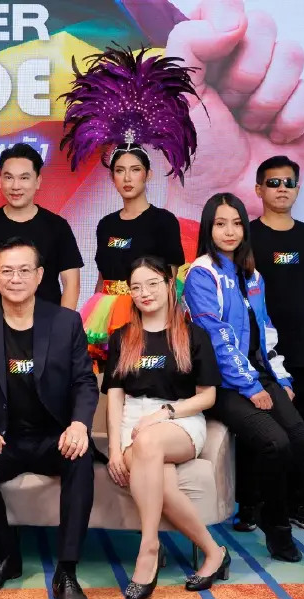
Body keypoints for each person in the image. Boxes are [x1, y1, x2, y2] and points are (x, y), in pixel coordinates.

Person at [181, 193, 304, 581]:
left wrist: (281, 378)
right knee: (275, 443)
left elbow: (265, 331)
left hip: (259, 376)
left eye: (236, 223)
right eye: (220, 223)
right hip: (220, 385)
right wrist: (250, 386)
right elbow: (218, 338)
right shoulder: (201, 274)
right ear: (208, 229)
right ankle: (275, 523)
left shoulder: (253, 276)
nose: (229, 231)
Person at [0, 237, 98, 599]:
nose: (15, 279)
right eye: (6, 271)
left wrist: (79, 424)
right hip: (2, 437)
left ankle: (67, 570)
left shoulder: (65, 322)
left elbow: (84, 381)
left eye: (24, 270)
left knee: (81, 459)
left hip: (54, 435)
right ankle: (6, 555)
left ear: (40, 275)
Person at [102, 256, 230, 599]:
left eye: (153, 284)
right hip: (133, 420)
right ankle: (214, 552)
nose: (145, 293)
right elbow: (115, 398)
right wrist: (114, 451)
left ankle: (148, 548)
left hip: (181, 418)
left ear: (170, 284)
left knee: (149, 442)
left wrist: (164, 413)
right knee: (161, 477)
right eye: (136, 287)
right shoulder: (122, 338)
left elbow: (207, 397)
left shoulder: (193, 335)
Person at [58, 46, 190, 364]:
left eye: (135, 170)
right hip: (106, 312)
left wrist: (167, 318)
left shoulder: (163, 221)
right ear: (112, 177)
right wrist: (94, 314)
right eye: (120, 170)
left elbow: (173, 276)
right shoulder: (106, 224)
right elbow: (102, 277)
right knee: (110, 378)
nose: (127, 178)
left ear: (148, 174)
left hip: (149, 310)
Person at [247, 154, 304, 531]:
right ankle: (252, 505)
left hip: (300, 353)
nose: (281, 189)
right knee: (257, 432)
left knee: (299, 430)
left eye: (288, 183)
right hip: (255, 355)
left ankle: (298, 503)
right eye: (273, 182)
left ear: (298, 189)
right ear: (259, 190)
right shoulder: (246, 235)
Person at [0, 143, 83, 313]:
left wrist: (64, 324)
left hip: (48, 323)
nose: (15, 186)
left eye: (24, 178)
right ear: (0, 181)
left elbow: (71, 282)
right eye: (9, 177)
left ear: (38, 181)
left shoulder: (57, 226)